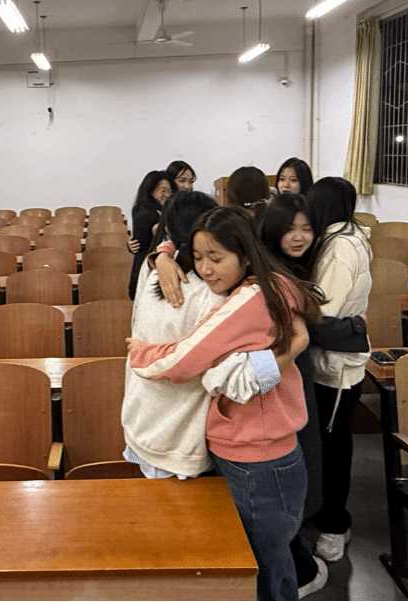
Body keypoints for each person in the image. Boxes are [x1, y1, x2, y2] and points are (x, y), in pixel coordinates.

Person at [128, 205, 323, 602]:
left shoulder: (249, 300)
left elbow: (197, 367)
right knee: (266, 558)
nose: (204, 269)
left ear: (245, 253)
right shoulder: (268, 284)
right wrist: (162, 254)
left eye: (215, 258)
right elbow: (252, 374)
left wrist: (140, 353)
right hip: (259, 445)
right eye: (198, 257)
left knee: (260, 564)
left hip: (256, 453)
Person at [123, 191, 300, 481]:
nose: (207, 267)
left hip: (144, 420)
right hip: (187, 436)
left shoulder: (153, 270)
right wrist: (289, 354)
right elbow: (236, 383)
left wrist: (163, 254)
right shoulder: (219, 294)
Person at [260, 193, 369, 598]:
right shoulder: (274, 273)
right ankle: (294, 569)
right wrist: (357, 331)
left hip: (293, 380)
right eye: (290, 228)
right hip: (278, 382)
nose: (299, 236)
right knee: (290, 466)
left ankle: (294, 558)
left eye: (307, 228)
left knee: (304, 463)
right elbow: (308, 326)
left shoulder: (293, 265)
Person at [304, 177, 372, 565]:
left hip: (335, 367)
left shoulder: (339, 247)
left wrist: (355, 330)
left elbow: (321, 315)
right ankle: (325, 518)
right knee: (330, 446)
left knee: (333, 450)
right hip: (337, 363)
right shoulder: (350, 235)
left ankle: (334, 526)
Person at [128, 170, 172, 299]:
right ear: (150, 190)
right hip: (149, 268)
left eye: (169, 191)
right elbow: (144, 241)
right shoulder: (146, 212)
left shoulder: (152, 209)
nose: (167, 195)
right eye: (163, 190)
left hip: (151, 266)